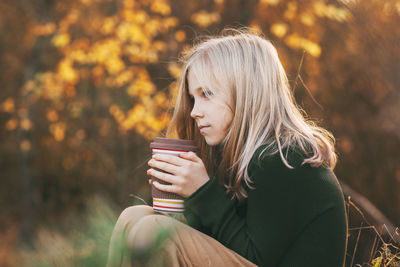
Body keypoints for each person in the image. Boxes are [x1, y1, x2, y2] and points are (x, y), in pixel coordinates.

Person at [107, 28, 348, 267]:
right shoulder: (241, 156)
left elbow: (253, 258)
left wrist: (201, 193)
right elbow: (223, 242)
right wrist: (184, 197)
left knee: (155, 232)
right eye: (194, 98)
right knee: (133, 217)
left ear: (247, 93)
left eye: (207, 94)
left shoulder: (285, 160)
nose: (194, 112)